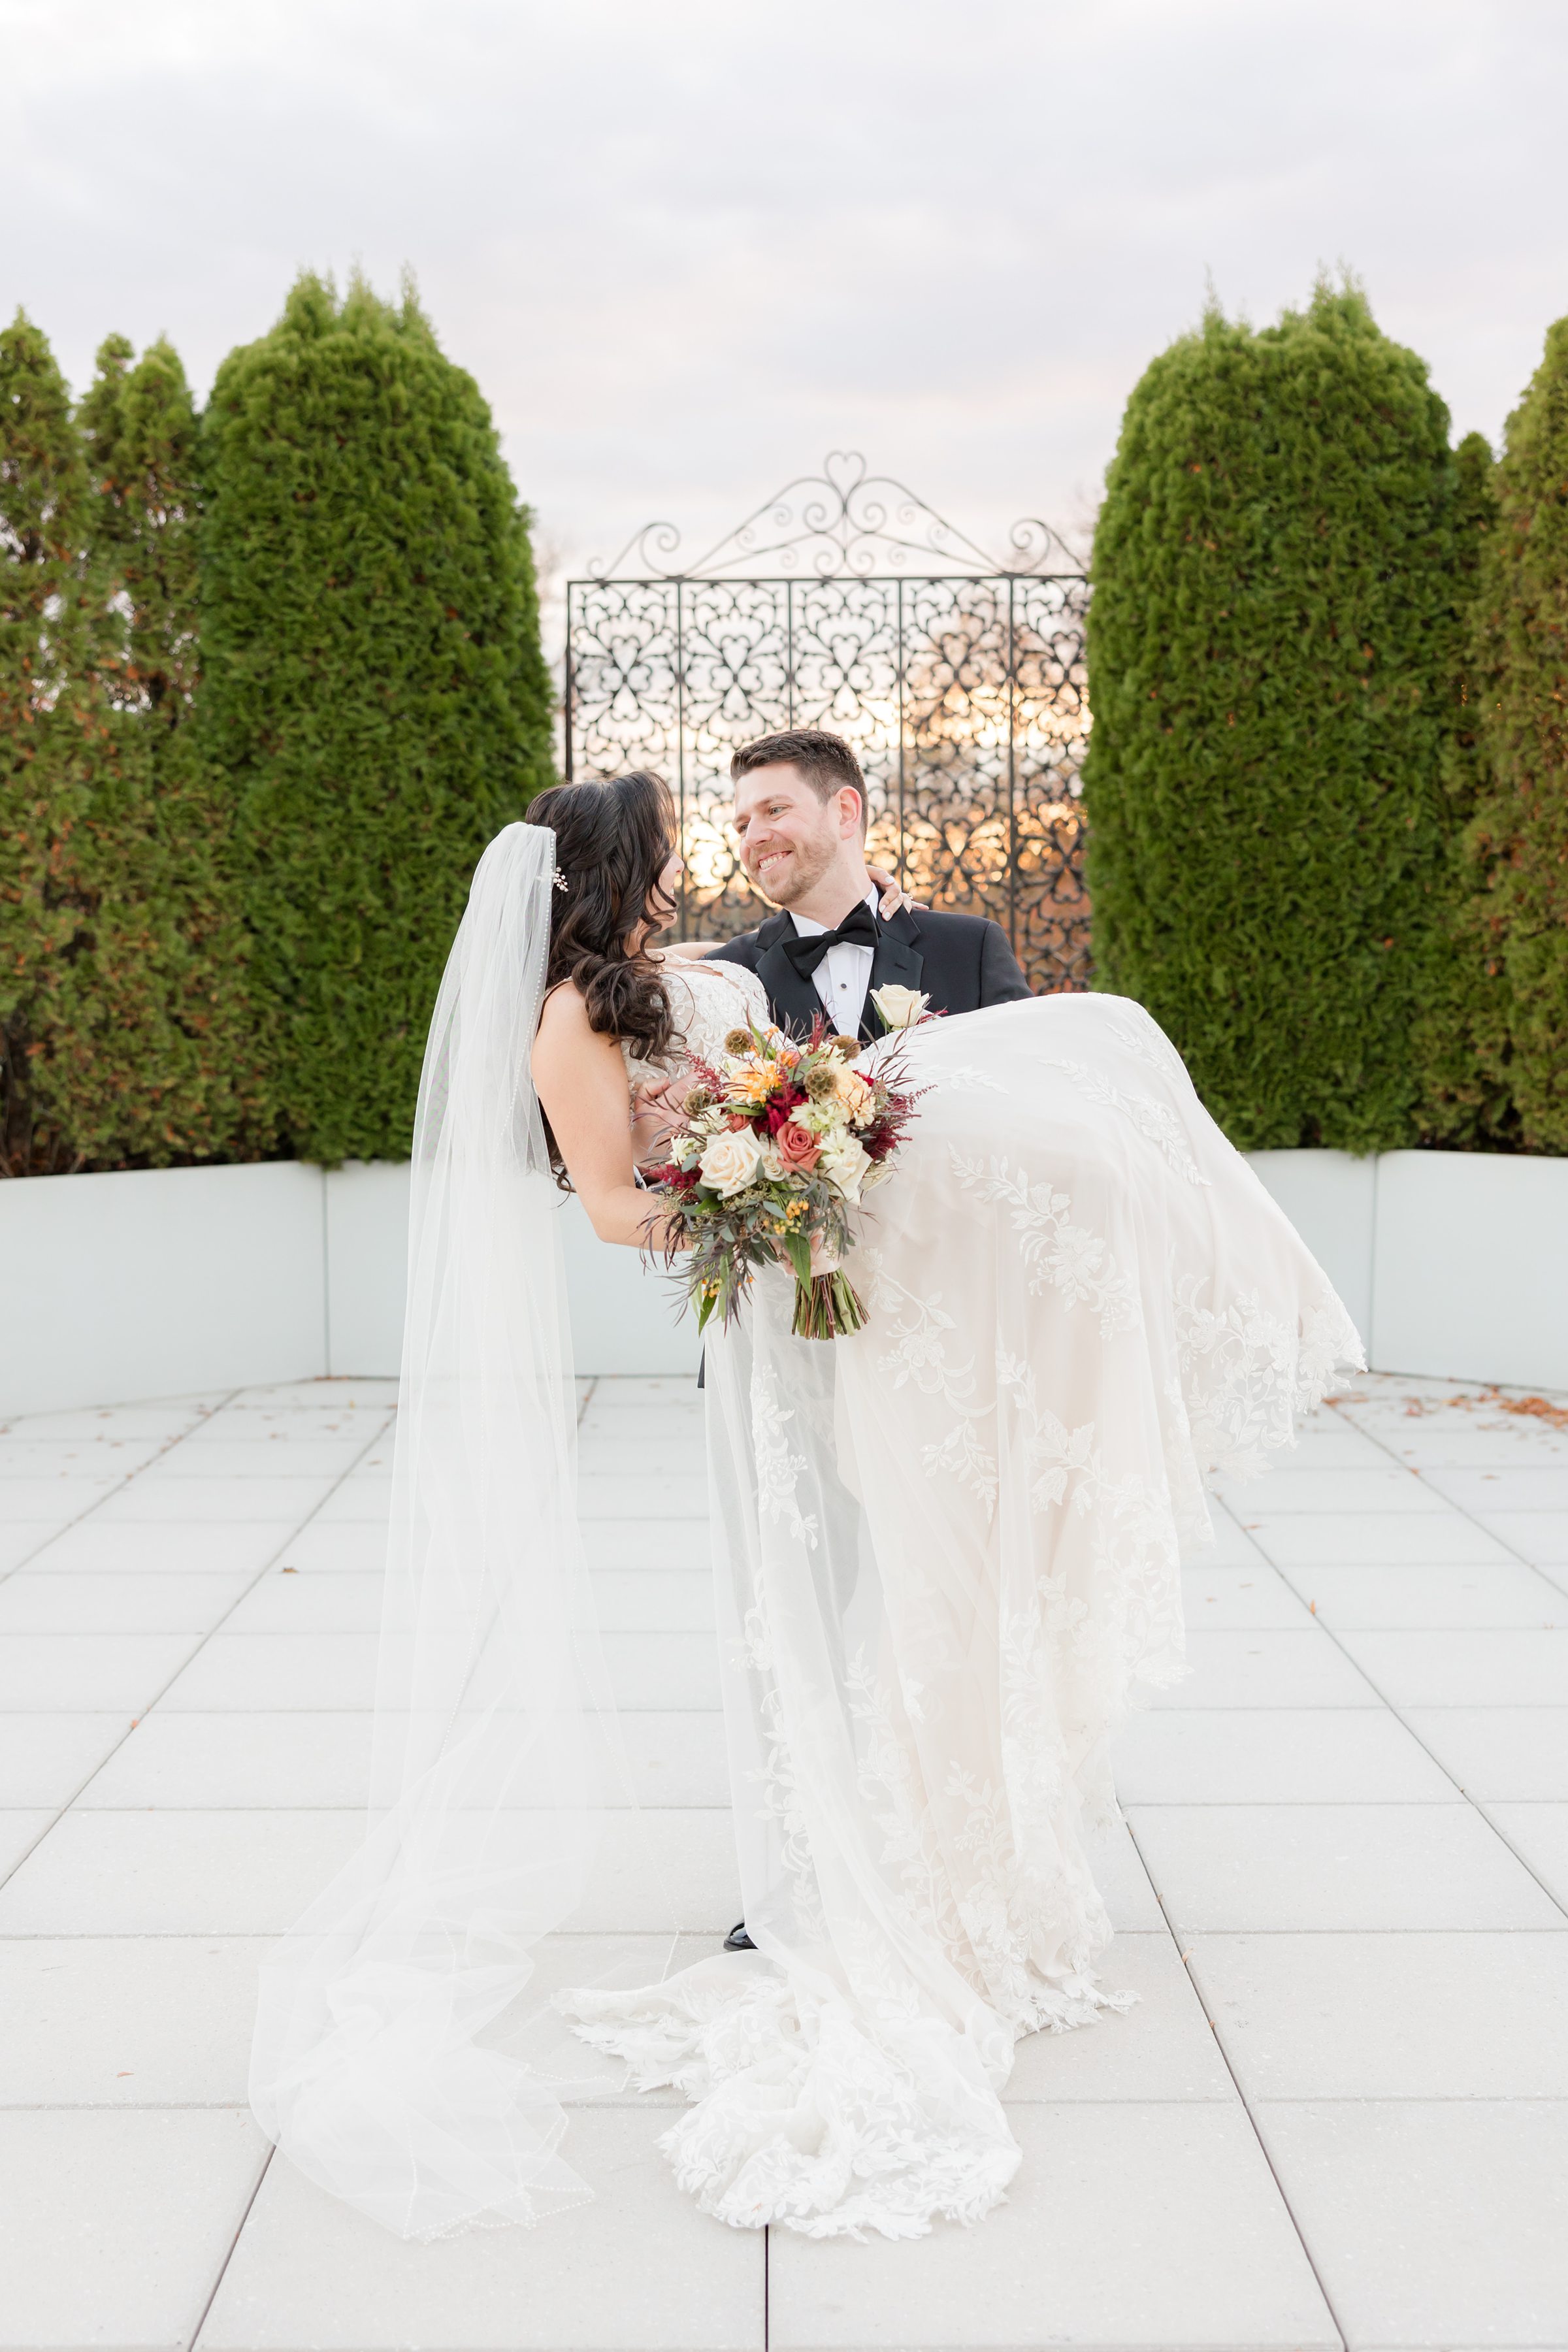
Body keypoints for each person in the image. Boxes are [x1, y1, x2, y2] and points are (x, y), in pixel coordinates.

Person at [250, 773, 1362, 2246]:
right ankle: (857, 1857)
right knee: (850, 1574)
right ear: (604, 865)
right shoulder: (569, 1023)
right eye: (655, 851)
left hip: (875, 1259)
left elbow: (796, 1084)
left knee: (1093, 1083)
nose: (682, 869)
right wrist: (769, 1195)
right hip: (791, 1293)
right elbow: (609, 1203)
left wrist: (817, 1132)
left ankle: (956, 1837)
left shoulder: (684, 976)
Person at [705, 727, 1032, 1041]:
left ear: (845, 812)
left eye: (775, 810)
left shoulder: (970, 950)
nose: (753, 838)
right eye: (743, 826)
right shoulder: (723, 975)